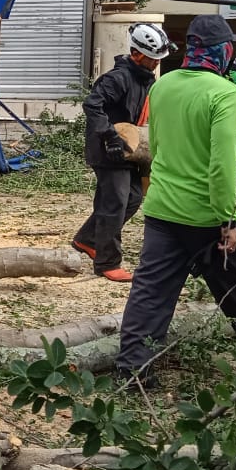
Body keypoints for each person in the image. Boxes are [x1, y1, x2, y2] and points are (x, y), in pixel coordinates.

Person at [116, 14, 236, 387]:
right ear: (221, 51)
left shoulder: (163, 85)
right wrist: (230, 220)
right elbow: (221, 166)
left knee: (150, 293)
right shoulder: (225, 93)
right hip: (208, 216)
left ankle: (133, 370)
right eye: (230, 48)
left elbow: (154, 147)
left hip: (162, 210)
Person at [71, 23, 174, 282]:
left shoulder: (145, 80)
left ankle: (87, 239)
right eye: (153, 58)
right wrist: (110, 136)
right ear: (137, 54)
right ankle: (107, 262)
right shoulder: (116, 79)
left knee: (133, 199)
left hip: (132, 150)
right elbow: (92, 106)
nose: (156, 63)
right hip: (109, 149)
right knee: (114, 203)